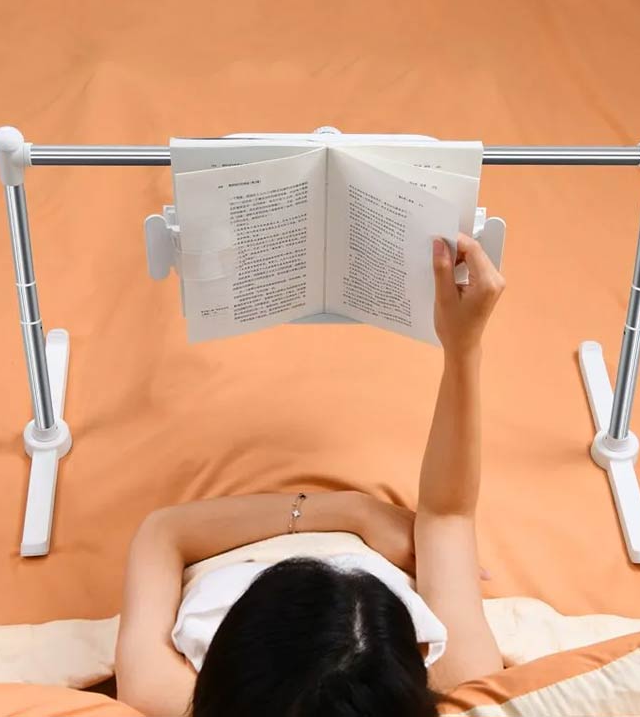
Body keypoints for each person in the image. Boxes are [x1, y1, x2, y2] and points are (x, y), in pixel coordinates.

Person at [116, 233, 506, 717]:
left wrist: (348, 512)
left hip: (233, 500)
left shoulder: (160, 697)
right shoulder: (464, 679)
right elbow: (446, 516)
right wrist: (464, 347)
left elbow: (164, 532)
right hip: (375, 472)